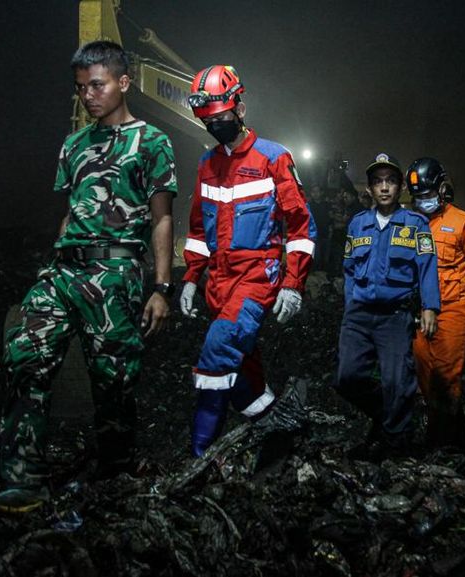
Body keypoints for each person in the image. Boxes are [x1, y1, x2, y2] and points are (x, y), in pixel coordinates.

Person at [0, 40, 177, 515]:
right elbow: (71, 211)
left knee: (114, 381)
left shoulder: (152, 141)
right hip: (64, 269)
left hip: (116, 272)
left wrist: (161, 288)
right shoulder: (74, 144)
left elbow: (162, 217)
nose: (88, 96)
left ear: (123, 83)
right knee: (24, 355)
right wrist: (52, 263)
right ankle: (23, 482)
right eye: (81, 87)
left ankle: (115, 477)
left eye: (97, 85)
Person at [179, 64, 315, 457]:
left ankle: (199, 457)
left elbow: (302, 227)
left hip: (257, 278)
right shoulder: (207, 165)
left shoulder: (274, 157)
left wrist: (293, 285)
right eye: (208, 122)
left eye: (220, 118)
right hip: (218, 283)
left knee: (216, 356)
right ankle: (284, 433)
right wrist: (191, 277)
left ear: (239, 108)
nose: (215, 126)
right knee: (242, 378)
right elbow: (199, 229)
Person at [334, 153, 440, 459]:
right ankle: (386, 417)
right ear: (369, 187)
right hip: (359, 315)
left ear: (401, 187)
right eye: (378, 181)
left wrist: (429, 307)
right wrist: (351, 302)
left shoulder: (415, 224)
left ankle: (395, 446)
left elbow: (427, 265)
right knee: (346, 377)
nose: (384, 187)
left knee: (397, 381)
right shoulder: (358, 224)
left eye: (391, 181)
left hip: (395, 316)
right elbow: (350, 268)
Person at [406, 157, 465, 447]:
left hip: (454, 309)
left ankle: (444, 440)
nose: (424, 201)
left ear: (442, 188)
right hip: (421, 310)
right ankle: (451, 431)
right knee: (424, 371)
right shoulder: (413, 224)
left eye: (428, 195)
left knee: (447, 374)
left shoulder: (464, 224)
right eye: (418, 197)